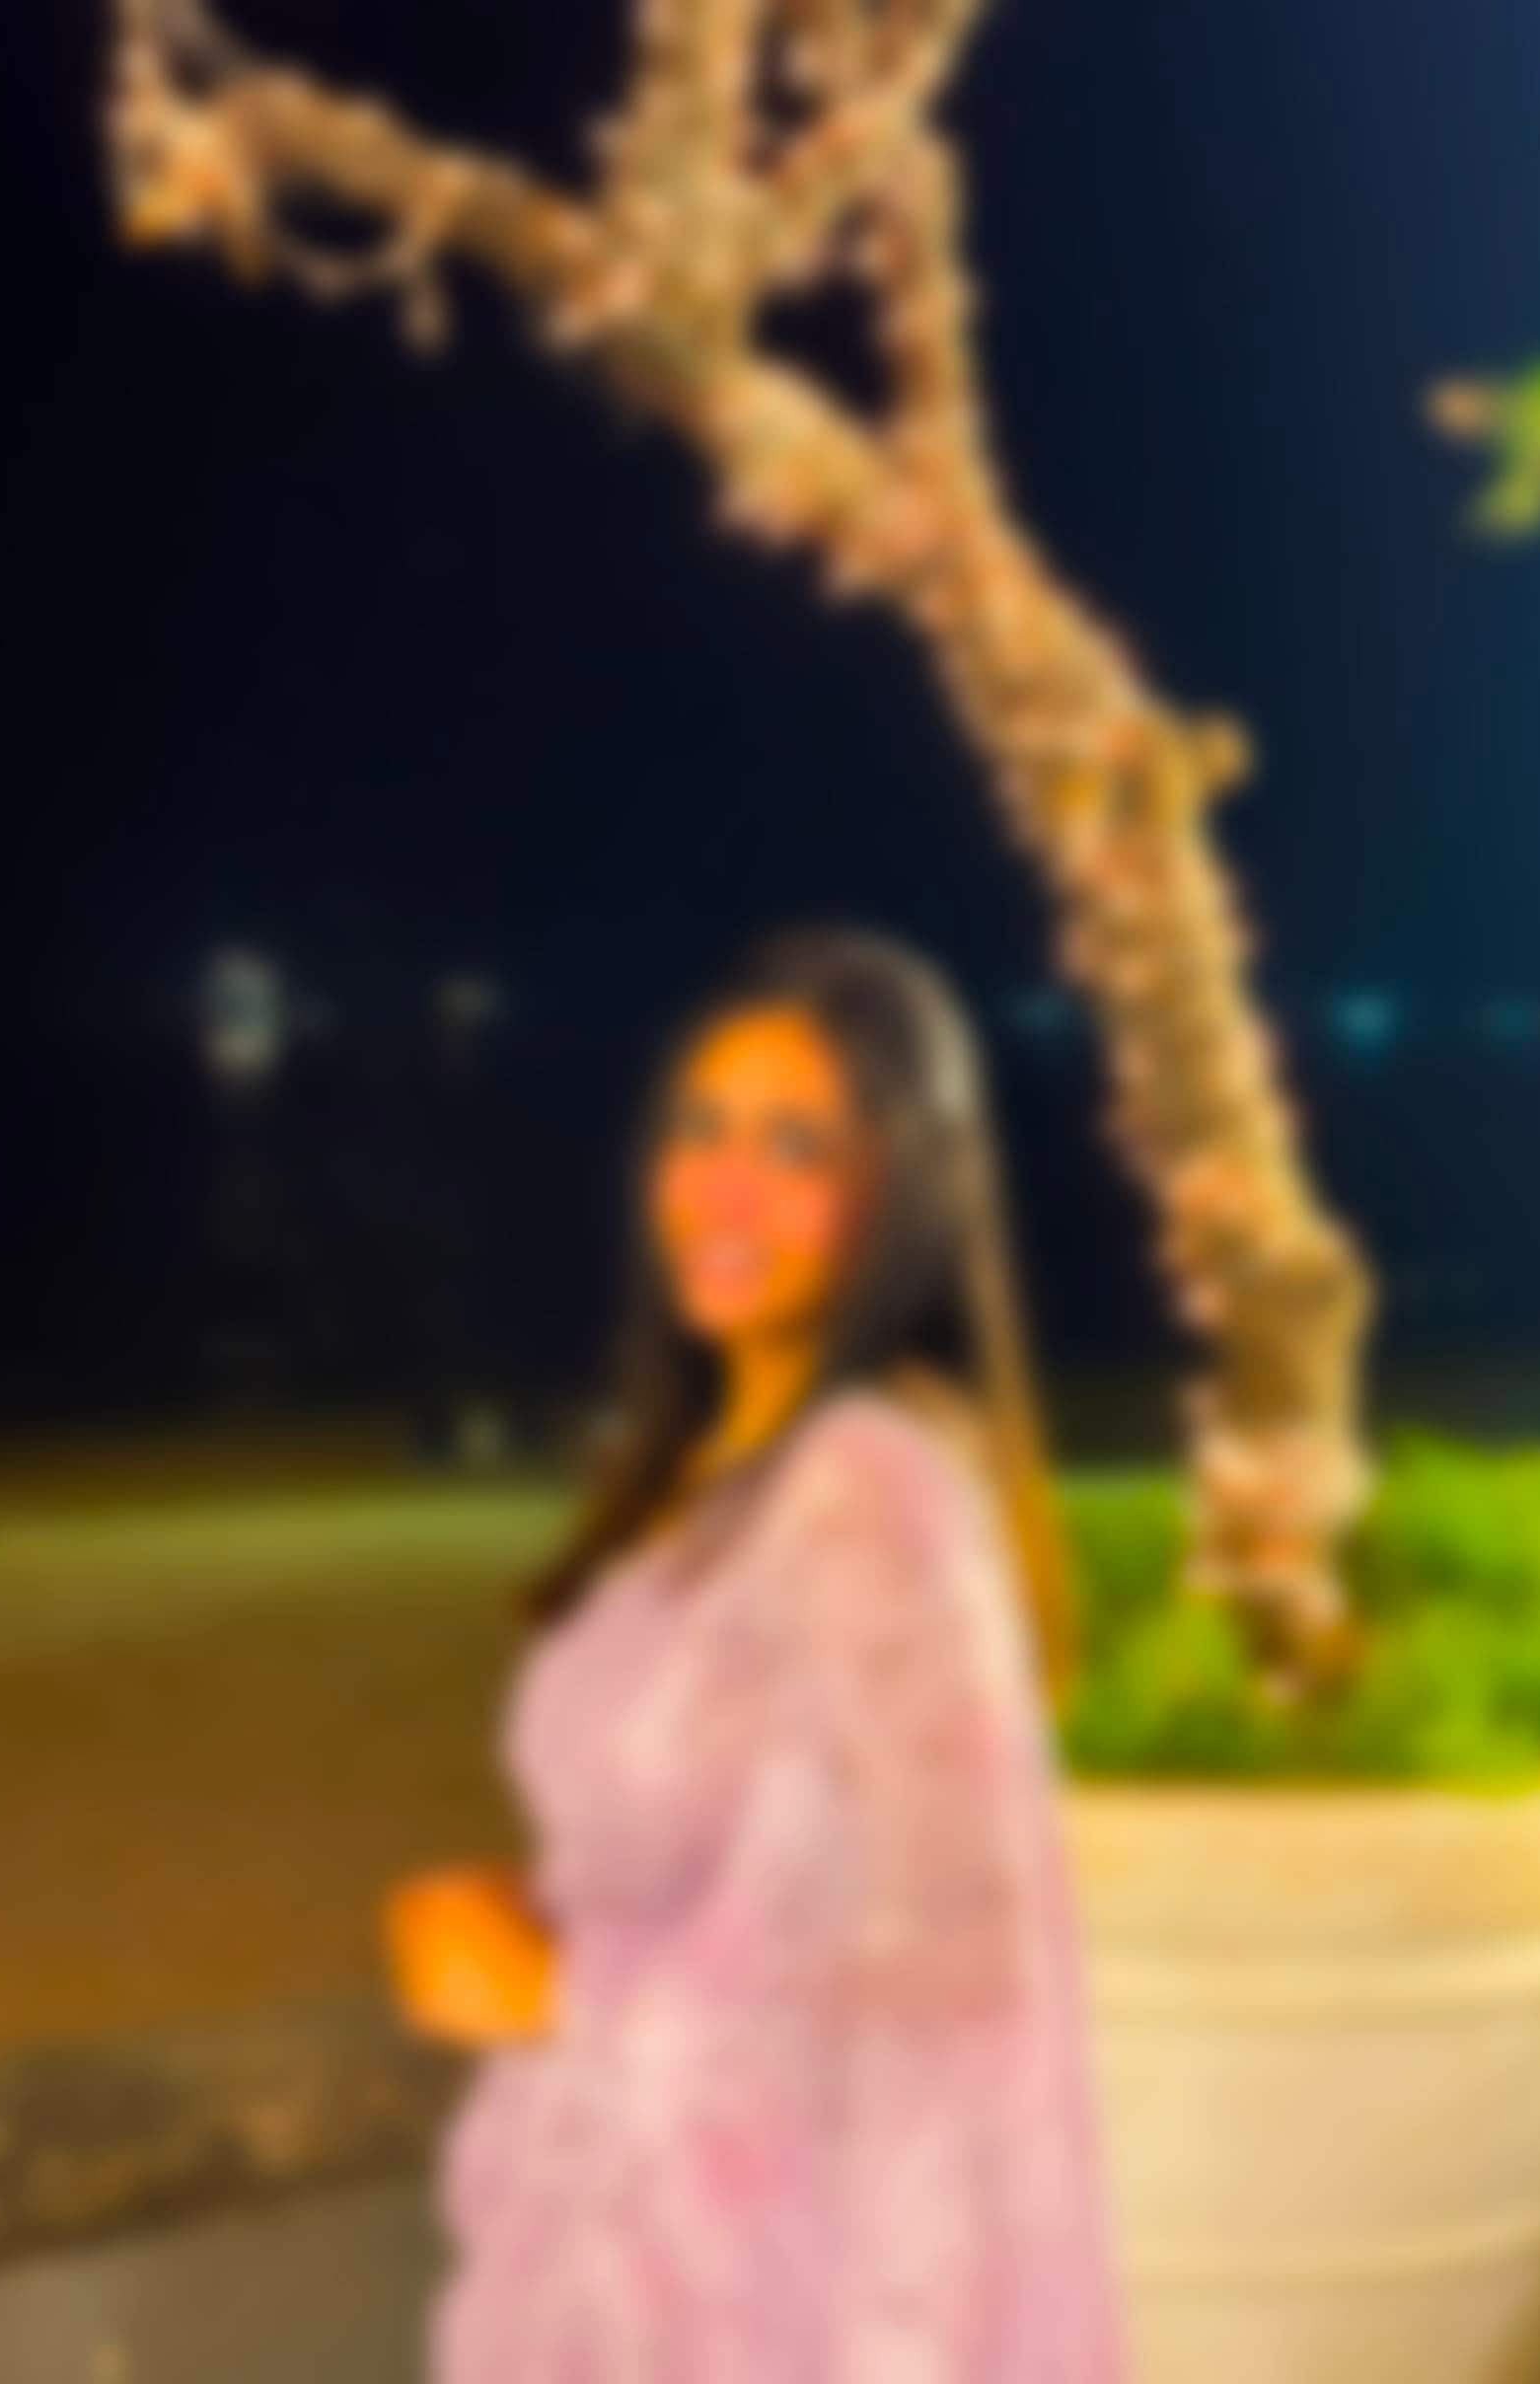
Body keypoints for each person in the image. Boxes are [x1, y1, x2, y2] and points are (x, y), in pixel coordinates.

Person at [400, 923, 1131, 2381]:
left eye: (796, 1147)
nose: (722, 1187)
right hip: (609, 2265)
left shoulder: (869, 1482)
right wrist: (552, 1907)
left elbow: (956, 1973)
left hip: (754, 2316)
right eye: (702, 1128)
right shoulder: (717, 1466)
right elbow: (761, 1860)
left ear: (901, 1196)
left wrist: (559, 1990)